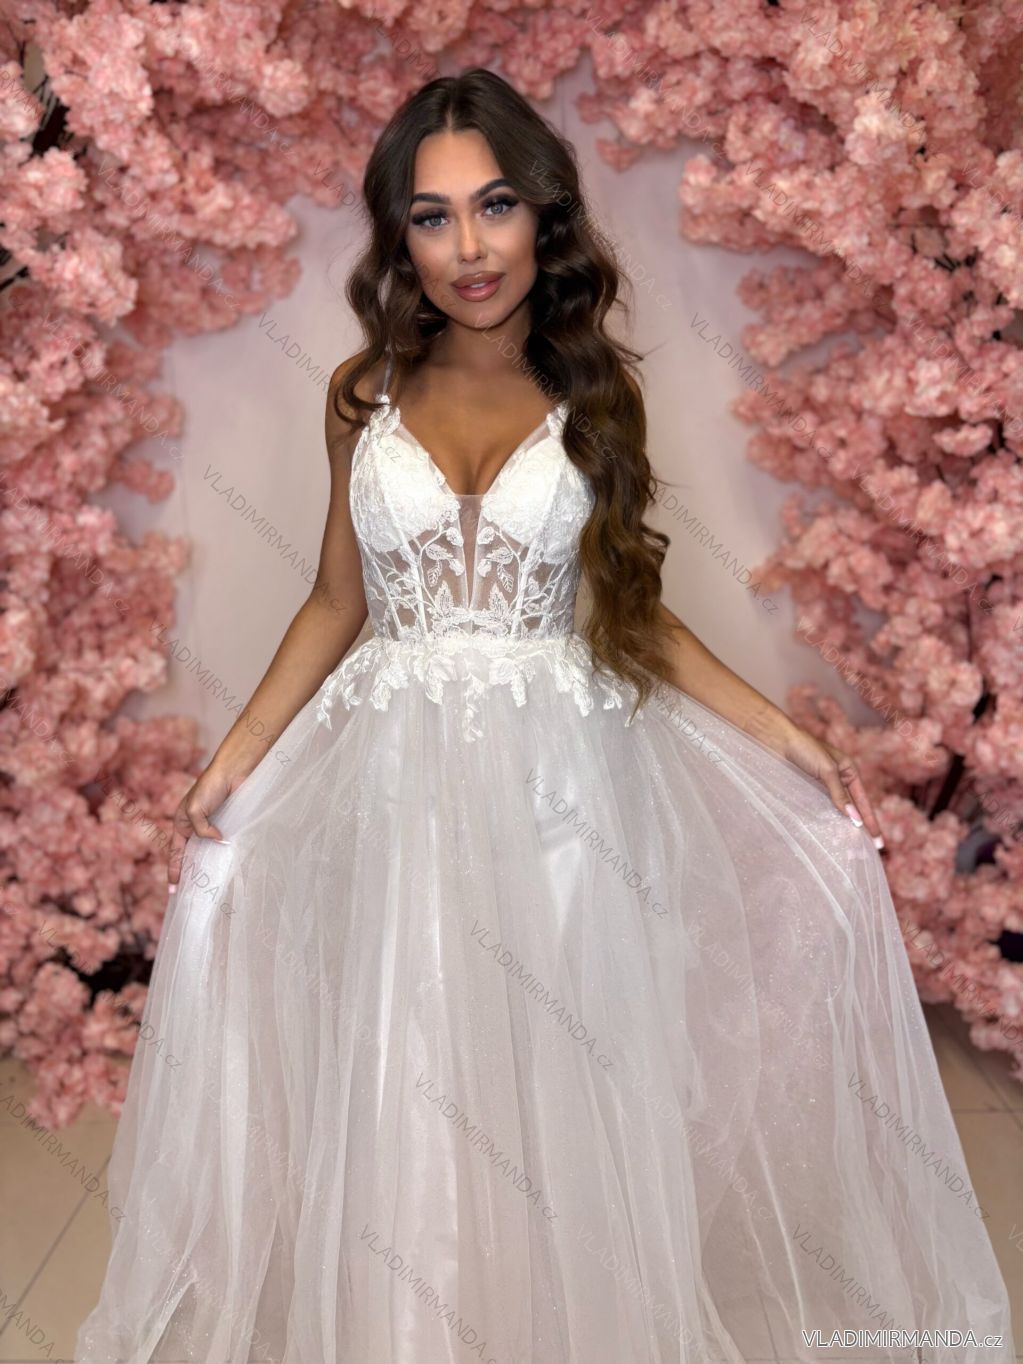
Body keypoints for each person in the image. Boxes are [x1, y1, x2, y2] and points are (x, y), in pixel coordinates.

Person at [75, 67, 1015, 1364]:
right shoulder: (359, 394)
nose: (469, 247)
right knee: (414, 1056)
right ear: (399, 237)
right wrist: (232, 761)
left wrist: (790, 737)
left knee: (559, 1068)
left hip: (561, 793)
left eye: (497, 205)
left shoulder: (594, 396)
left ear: (544, 216)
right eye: (433, 216)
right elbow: (335, 601)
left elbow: (631, 613)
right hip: (399, 784)